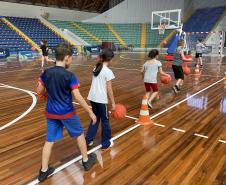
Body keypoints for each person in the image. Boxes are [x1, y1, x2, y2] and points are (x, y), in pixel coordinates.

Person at [36, 43, 97, 182]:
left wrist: (46, 93)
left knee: (49, 141)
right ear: (67, 58)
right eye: (71, 58)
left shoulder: (46, 73)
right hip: (67, 113)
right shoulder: (70, 75)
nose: (71, 60)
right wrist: (90, 111)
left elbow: (39, 91)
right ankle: (86, 161)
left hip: (51, 113)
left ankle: (44, 171)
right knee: (79, 134)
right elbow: (78, 96)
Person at [86, 49, 116, 150]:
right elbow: (109, 89)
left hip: (92, 98)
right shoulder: (108, 71)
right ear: (109, 59)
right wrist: (113, 103)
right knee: (105, 121)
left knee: (95, 118)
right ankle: (106, 144)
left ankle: (88, 140)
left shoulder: (96, 67)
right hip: (101, 100)